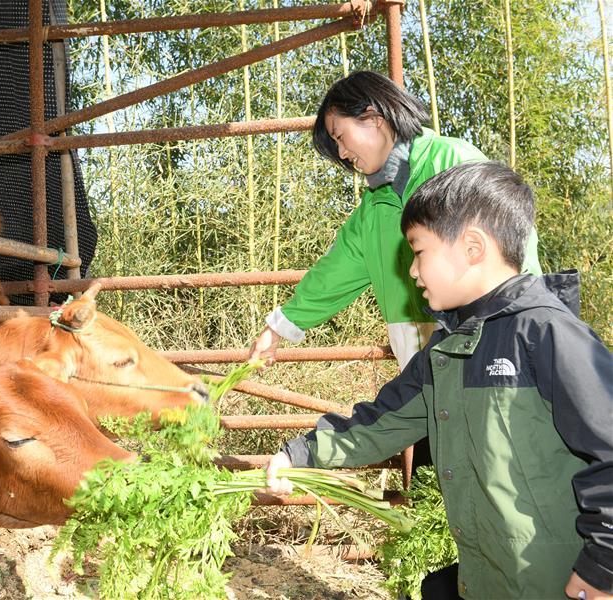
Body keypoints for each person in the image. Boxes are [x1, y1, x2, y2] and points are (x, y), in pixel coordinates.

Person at [265, 162, 613, 599]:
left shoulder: (548, 335)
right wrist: (300, 454)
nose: (411, 271)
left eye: (419, 251)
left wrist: (603, 566)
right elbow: (380, 422)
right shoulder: (447, 350)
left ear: (471, 247)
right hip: (488, 578)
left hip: (559, 583)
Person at [248, 71, 542, 372]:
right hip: (421, 361)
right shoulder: (373, 208)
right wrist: (279, 327)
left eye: (340, 137)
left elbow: (513, 243)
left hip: (494, 344)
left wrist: (525, 320)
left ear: (373, 117)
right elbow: (334, 273)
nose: (341, 153)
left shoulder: (452, 163)